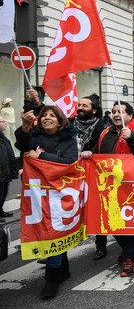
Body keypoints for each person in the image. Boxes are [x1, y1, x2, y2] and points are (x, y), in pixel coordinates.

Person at [81, 102, 134, 277]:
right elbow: (98, 152)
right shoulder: (106, 133)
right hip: (111, 186)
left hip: (133, 185)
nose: (116, 115)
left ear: (130, 115)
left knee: (130, 223)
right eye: (113, 112)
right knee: (113, 223)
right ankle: (127, 249)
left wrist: (132, 138)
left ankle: (131, 257)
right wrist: (89, 154)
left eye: (120, 112)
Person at [15, 106, 78, 297]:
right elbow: (23, 151)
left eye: (52, 116)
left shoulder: (68, 140)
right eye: (44, 116)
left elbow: (70, 162)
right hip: (37, 194)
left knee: (55, 230)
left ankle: (52, 278)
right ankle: (63, 270)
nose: (47, 118)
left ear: (60, 121)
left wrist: (40, 156)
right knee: (48, 229)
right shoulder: (33, 136)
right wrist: (25, 127)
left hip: (60, 194)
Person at [70, 94, 107, 260]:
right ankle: (58, 247)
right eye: (79, 105)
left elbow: (102, 147)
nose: (80, 108)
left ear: (93, 110)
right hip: (71, 173)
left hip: (92, 174)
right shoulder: (70, 125)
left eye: (85, 106)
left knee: (95, 208)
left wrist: (92, 152)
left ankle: (101, 245)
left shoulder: (102, 127)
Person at [0, 116, 18, 219]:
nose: (5, 123)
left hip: (5, 169)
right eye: (2, 121)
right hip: (1, 170)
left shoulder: (2, 136)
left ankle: (1, 210)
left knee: (3, 191)